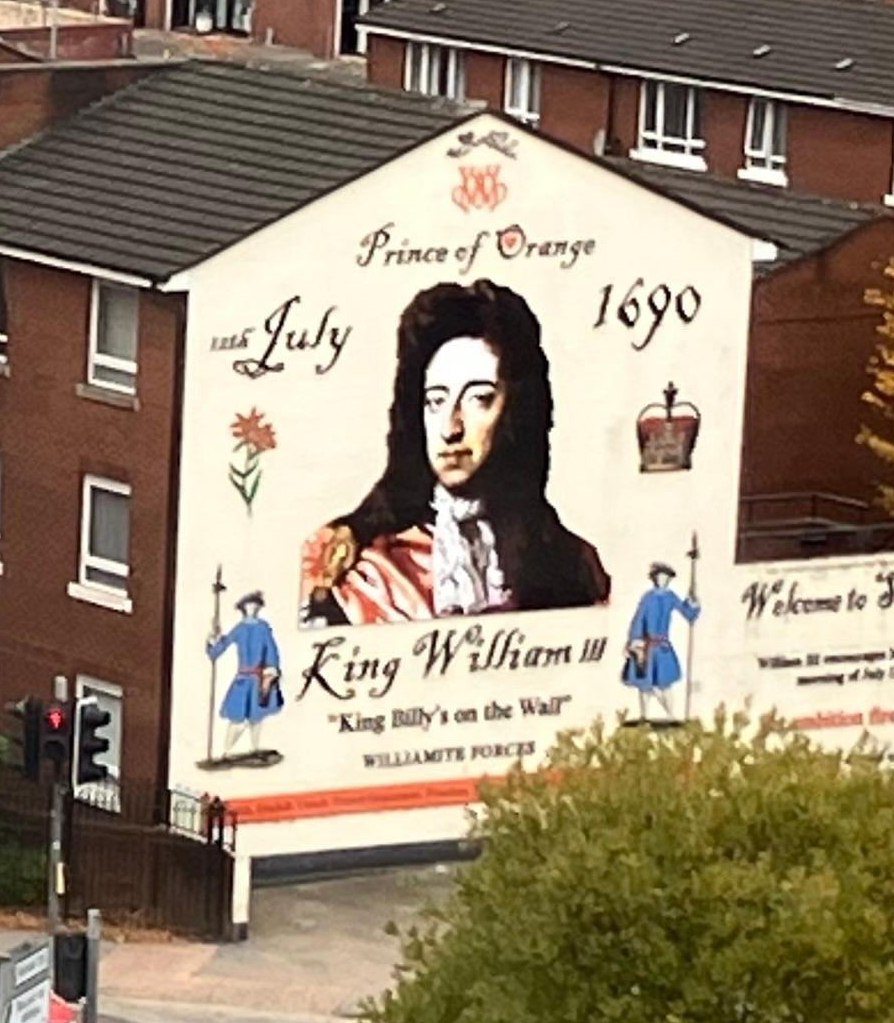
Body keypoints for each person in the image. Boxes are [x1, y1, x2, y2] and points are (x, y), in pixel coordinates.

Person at [300, 278, 610, 624]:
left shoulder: (569, 561)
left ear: (516, 410)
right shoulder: (370, 569)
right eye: (435, 400)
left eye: (479, 398)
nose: (451, 428)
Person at [204, 592, 283, 764]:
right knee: (237, 719)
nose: (252, 609)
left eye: (255, 606)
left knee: (257, 718)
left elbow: (271, 649)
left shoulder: (263, 627)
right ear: (243, 609)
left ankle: (254, 749)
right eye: (249, 606)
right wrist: (213, 639)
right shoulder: (239, 628)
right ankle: (226, 752)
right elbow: (220, 648)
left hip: (259, 679)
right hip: (242, 679)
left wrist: (271, 671)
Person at [621, 561, 699, 720]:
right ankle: (645, 715)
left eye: (666, 577)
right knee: (644, 685)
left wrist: (692, 603)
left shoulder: (671, 597)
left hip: (663, 647)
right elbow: (638, 619)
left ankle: (670, 714)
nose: (663, 580)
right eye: (660, 577)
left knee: (665, 683)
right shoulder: (648, 598)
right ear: (655, 579)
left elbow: (687, 613)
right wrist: (634, 641)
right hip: (646, 646)